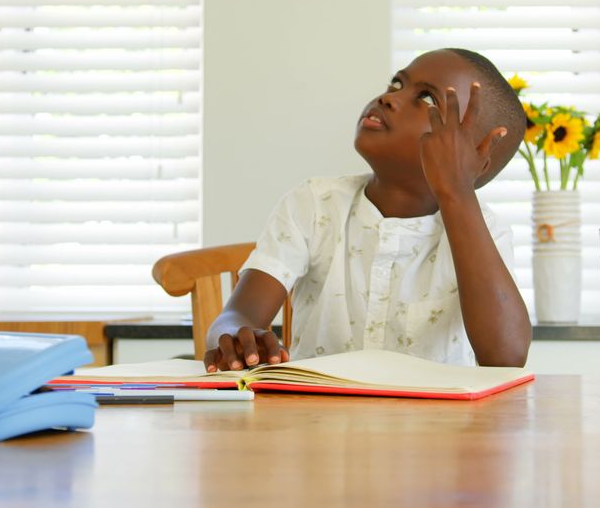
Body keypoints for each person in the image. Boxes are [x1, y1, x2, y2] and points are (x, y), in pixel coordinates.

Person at [204, 48, 530, 372]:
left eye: (428, 99)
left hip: (436, 423)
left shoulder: (488, 231)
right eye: (396, 84)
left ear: (475, 159)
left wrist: (458, 191)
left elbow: (506, 356)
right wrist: (235, 337)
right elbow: (236, 316)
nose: (389, 98)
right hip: (316, 419)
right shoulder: (314, 204)